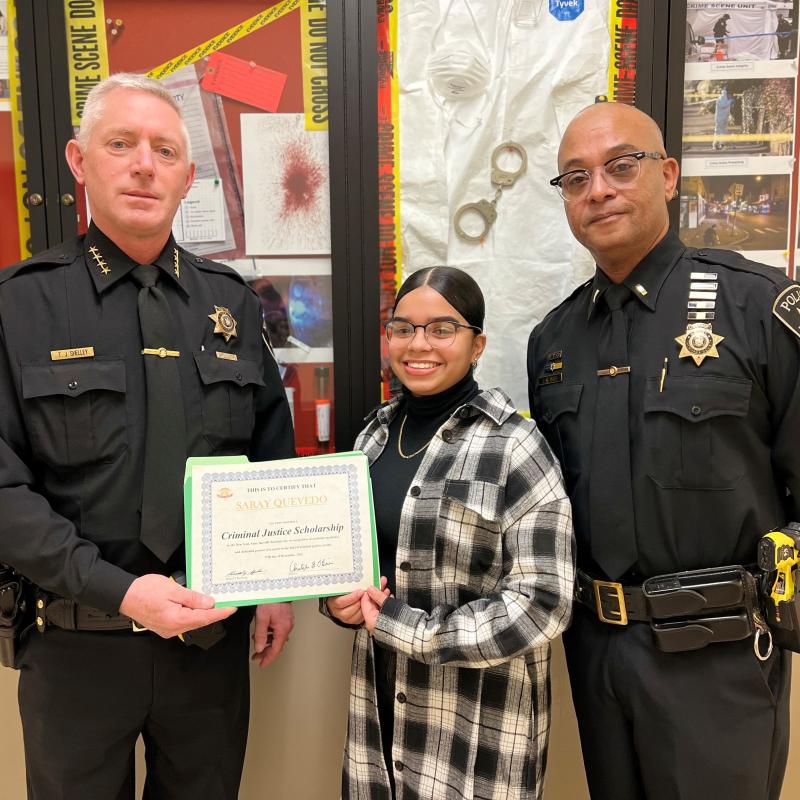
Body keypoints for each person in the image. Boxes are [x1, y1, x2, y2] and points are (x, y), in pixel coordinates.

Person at [0, 73, 296, 798]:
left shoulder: (230, 303)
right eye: (121, 144)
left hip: (208, 647)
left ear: (188, 178)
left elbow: (269, 454)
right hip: (77, 646)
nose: (144, 166)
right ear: (78, 161)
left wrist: (277, 586)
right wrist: (123, 592)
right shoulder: (20, 304)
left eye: (165, 151)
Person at [529, 101, 796, 800]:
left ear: (669, 175)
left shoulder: (756, 307)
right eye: (576, 178)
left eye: (621, 166)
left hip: (718, 658)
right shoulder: (554, 340)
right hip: (597, 651)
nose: (598, 190)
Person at [324, 267, 574, 799]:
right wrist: (337, 600)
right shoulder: (371, 438)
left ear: (477, 344)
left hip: (476, 725)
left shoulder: (516, 446)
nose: (419, 344)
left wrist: (409, 629)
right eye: (403, 328)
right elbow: (350, 559)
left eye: (442, 329)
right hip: (378, 707)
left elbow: (543, 604)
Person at [713, 85, 733, 150]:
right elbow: (723, 105)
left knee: (723, 131)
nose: (731, 96)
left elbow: (726, 108)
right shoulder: (722, 98)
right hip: (719, 118)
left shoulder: (725, 98)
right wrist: (730, 101)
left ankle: (721, 144)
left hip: (724, 118)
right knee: (719, 131)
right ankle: (716, 144)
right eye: (730, 94)